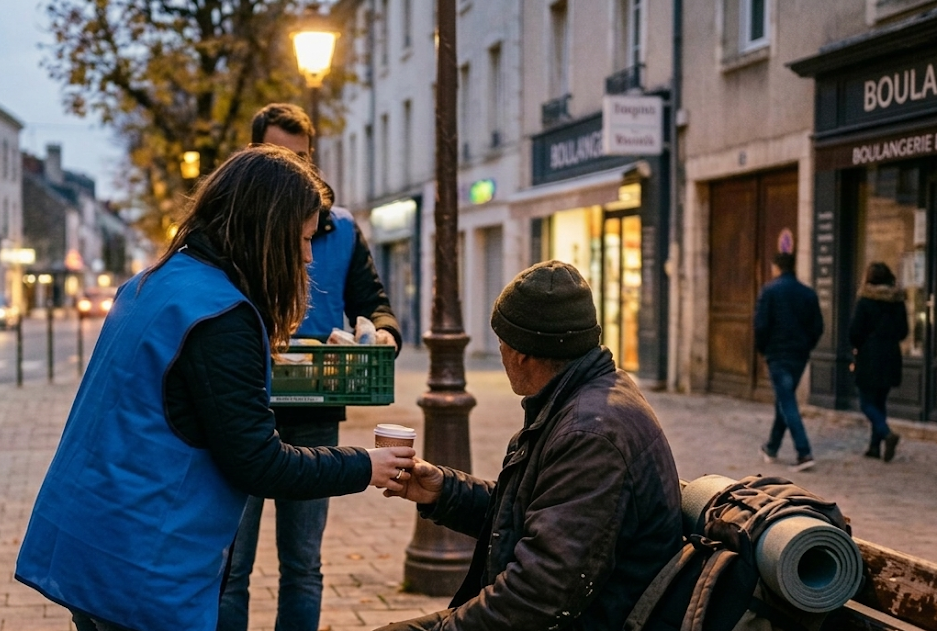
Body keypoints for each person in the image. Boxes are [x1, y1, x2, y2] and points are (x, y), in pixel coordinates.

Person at [14, 145, 417, 631]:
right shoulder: (221, 317)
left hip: (90, 535)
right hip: (142, 557)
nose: (309, 256)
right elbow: (257, 462)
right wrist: (365, 465)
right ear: (266, 232)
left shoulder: (155, 282)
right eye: (303, 238)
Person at [377, 261, 682, 631]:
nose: (501, 353)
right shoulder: (585, 399)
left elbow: (537, 596)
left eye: (501, 343)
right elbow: (534, 516)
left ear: (521, 353)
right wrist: (443, 491)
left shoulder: (589, 436)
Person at [219, 103, 401, 631]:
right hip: (247, 406)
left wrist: (383, 332)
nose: (293, 168)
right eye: (279, 155)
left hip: (317, 403)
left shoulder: (341, 228)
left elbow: (373, 300)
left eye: (301, 157)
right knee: (231, 567)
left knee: (304, 565)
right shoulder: (238, 228)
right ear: (255, 156)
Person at [755, 251, 824, 472]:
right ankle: (772, 447)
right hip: (799, 355)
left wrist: (763, 349)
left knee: (787, 402)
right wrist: (806, 346)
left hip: (778, 355)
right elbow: (817, 327)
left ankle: (804, 452)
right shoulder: (807, 293)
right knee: (784, 400)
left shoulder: (770, 291)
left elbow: (761, 326)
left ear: (776, 267)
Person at [849, 261, 907, 462]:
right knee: (880, 402)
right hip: (891, 356)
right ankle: (874, 448)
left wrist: (860, 344)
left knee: (866, 403)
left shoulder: (865, 300)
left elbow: (854, 331)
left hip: (869, 357)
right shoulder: (897, 301)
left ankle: (886, 433)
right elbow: (904, 331)